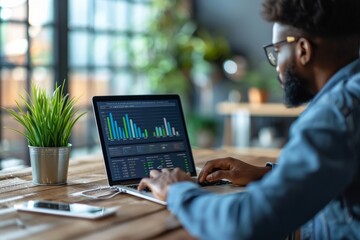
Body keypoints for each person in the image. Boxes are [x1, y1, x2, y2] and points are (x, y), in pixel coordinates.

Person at [138, 0, 360, 239]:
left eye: (277, 51)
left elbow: (244, 224)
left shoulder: (336, 114)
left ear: (303, 50)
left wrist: (176, 191)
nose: (276, 67)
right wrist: (266, 174)